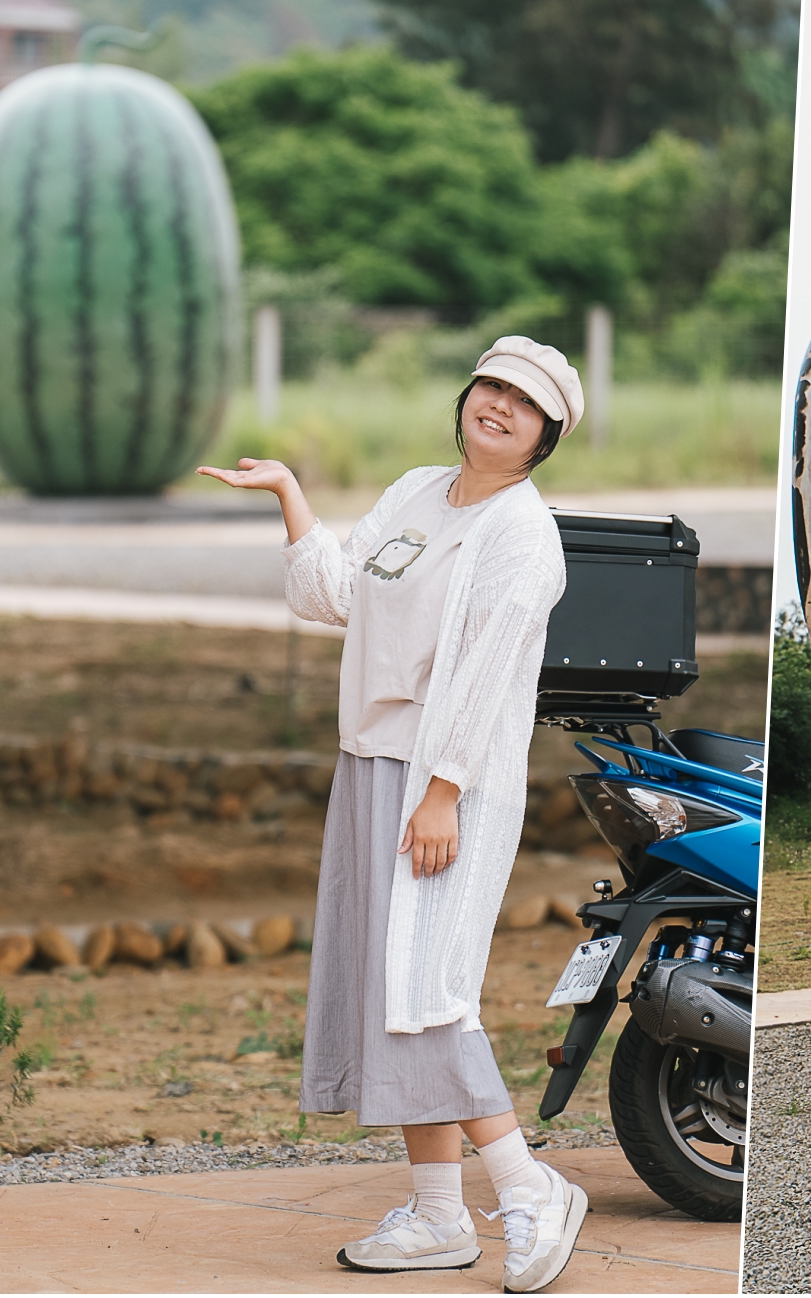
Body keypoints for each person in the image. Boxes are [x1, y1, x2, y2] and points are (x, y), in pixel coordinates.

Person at [199, 337, 587, 1288]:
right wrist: (293, 496)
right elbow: (330, 594)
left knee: (428, 991)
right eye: (489, 387)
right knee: (391, 988)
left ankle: (529, 1190)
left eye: (522, 403)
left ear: (545, 436)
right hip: (371, 766)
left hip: (446, 782)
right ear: (466, 398)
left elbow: (493, 674)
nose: (498, 406)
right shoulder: (418, 490)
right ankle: (438, 1214)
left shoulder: (522, 533)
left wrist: (444, 792)